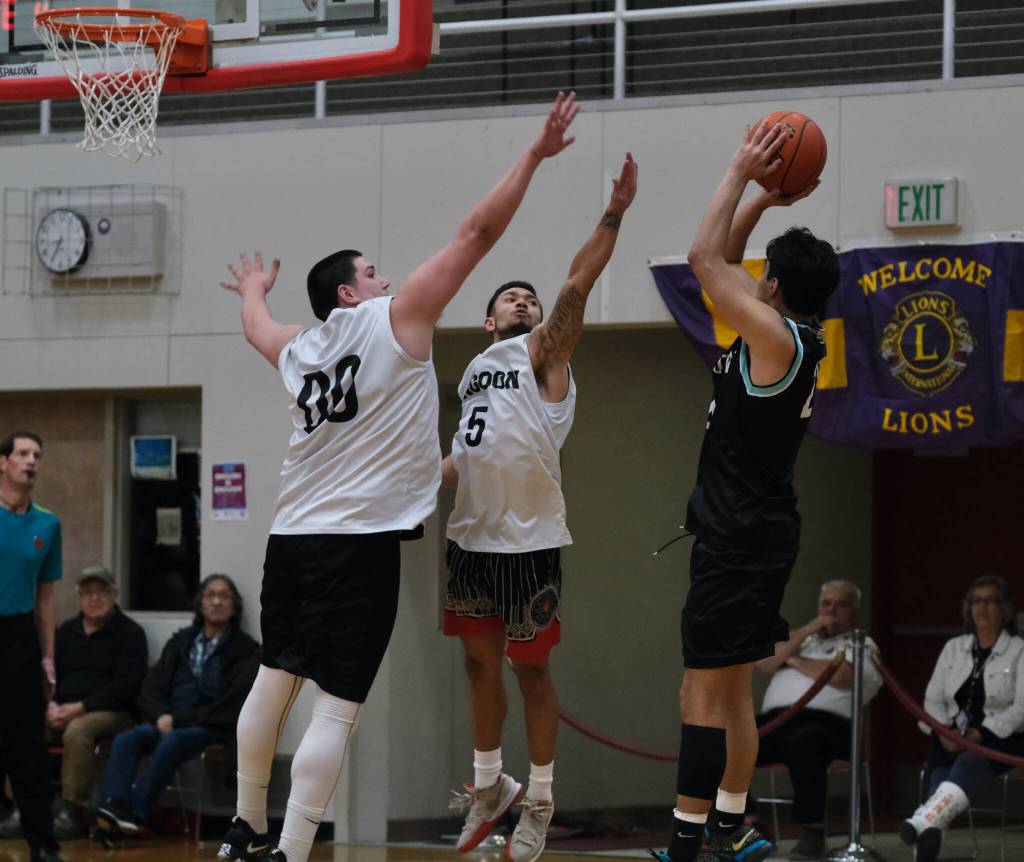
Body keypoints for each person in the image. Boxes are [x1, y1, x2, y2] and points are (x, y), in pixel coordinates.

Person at [215, 92, 581, 862]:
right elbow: (476, 234)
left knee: (272, 680)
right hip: (359, 545)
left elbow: (256, 327)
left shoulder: (301, 349)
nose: (385, 279)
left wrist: (252, 288)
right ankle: (290, 849)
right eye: (372, 272)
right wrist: (534, 156)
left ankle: (244, 826)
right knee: (335, 709)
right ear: (350, 293)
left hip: (291, 539)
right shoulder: (395, 319)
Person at [653, 121, 839, 862]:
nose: (750, 279)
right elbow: (727, 263)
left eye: (763, 275)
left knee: (699, 692)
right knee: (730, 690)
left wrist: (738, 171)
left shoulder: (772, 340)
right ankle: (730, 826)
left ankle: (686, 842)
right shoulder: (788, 338)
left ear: (774, 289)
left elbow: (704, 260)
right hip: (758, 531)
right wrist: (762, 202)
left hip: (736, 538)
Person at [443, 154, 638, 862]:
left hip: (529, 542)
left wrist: (612, 214)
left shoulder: (543, 355)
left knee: (530, 671)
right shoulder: (474, 372)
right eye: (510, 298)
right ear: (486, 319)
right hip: (469, 538)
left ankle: (542, 802)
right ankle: (491, 785)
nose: (523, 302)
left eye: (529, 297)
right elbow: (462, 459)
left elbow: (576, 285)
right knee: (477, 667)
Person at [94, 574, 259, 840]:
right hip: (167, 719)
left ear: (234, 607)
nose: (216, 602)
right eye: (210, 595)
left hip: (209, 726)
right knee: (127, 739)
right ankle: (111, 808)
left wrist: (177, 720)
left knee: (173, 741)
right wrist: (161, 714)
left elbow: (230, 706)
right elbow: (150, 688)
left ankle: (130, 814)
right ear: (200, 604)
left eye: (224, 596)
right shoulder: (180, 642)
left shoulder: (246, 650)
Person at [752, 580, 882, 860]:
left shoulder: (860, 644)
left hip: (829, 726)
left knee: (805, 740)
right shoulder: (802, 640)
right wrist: (808, 630)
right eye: (826, 604)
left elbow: (840, 676)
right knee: (720, 738)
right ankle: (747, 823)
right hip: (777, 721)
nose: (831, 611)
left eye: (841, 605)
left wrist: (793, 660)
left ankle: (812, 830)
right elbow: (764, 663)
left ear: (854, 613)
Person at [901, 575, 1024, 862]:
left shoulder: (1019, 650)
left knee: (968, 760)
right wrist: (944, 730)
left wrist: (980, 734)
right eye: (976, 601)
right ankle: (928, 829)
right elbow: (933, 699)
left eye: (990, 601)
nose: (982, 607)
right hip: (952, 735)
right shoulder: (954, 647)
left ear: (1004, 608)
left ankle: (923, 821)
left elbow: (1021, 708)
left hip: (1003, 737)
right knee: (942, 763)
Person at [47, 565, 148, 839]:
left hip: (113, 712)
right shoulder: (66, 632)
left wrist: (81, 708)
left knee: (78, 730)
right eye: (88, 593)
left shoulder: (131, 634)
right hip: (63, 708)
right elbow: (50, 675)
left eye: (102, 591)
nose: (94, 598)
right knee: (23, 726)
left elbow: (127, 687)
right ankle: (22, 806)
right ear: (79, 598)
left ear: (114, 595)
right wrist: (51, 704)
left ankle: (73, 810)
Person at [0, 430, 64, 862]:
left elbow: (45, 593)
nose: (31, 461)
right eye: (22, 453)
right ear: (3, 462)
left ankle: (42, 844)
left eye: (37, 455)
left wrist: (48, 656)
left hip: (19, 636)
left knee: (27, 746)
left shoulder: (47, 523)